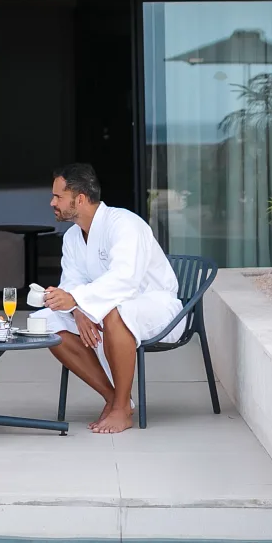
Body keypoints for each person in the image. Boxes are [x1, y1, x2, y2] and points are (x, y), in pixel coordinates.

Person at [43, 161, 183, 435]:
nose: (52, 202)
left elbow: (125, 279)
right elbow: (72, 281)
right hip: (101, 307)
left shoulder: (125, 224)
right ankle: (114, 398)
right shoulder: (72, 237)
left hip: (156, 306)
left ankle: (121, 409)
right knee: (48, 322)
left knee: (116, 312)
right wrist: (79, 310)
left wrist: (79, 300)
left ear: (79, 199)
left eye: (58, 196)